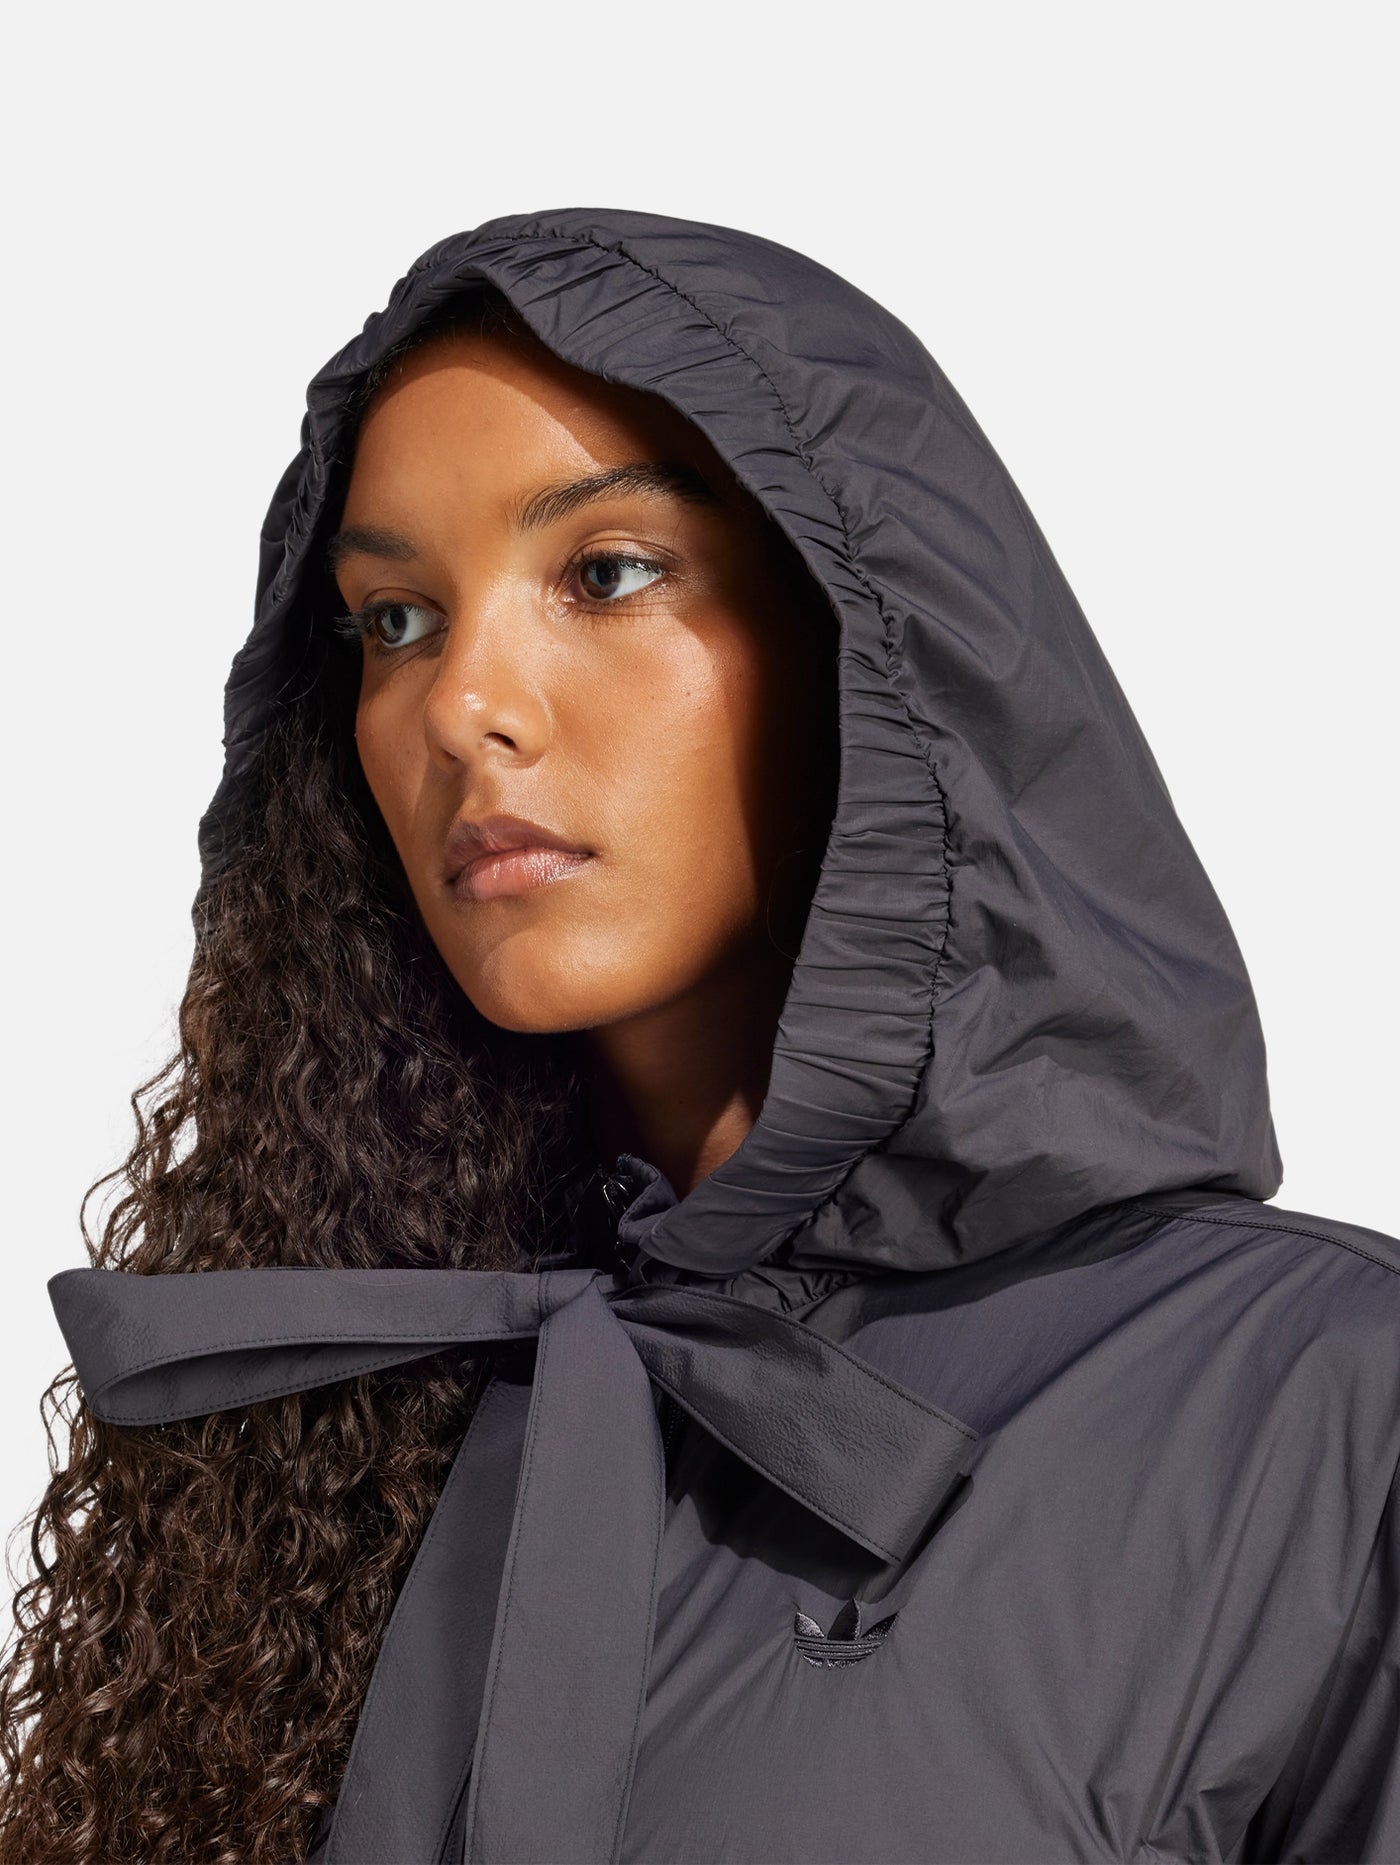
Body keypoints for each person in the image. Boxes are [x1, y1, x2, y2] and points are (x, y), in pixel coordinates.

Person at [1, 207, 1396, 1865]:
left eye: (605, 573)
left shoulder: (1318, 1401)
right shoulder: (331, 1401)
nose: (461, 705)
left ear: (870, 644)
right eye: (396, 620)